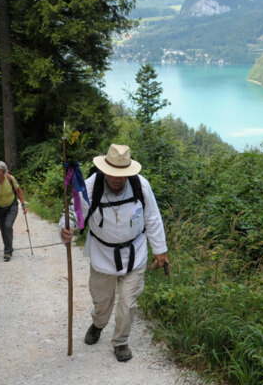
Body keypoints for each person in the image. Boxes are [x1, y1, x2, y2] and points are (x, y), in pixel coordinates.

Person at [59, 144, 170, 362]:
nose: (118, 180)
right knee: (102, 301)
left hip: (135, 253)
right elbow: (72, 213)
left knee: (128, 303)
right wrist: (65, 229)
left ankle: (121, 341)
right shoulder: (90, 186)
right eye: (113, 175)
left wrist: (160, 251)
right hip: (102, 254)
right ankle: (99, 323)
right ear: (104, 170)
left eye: (123, 175)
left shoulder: (141, 185)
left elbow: (153, 217)